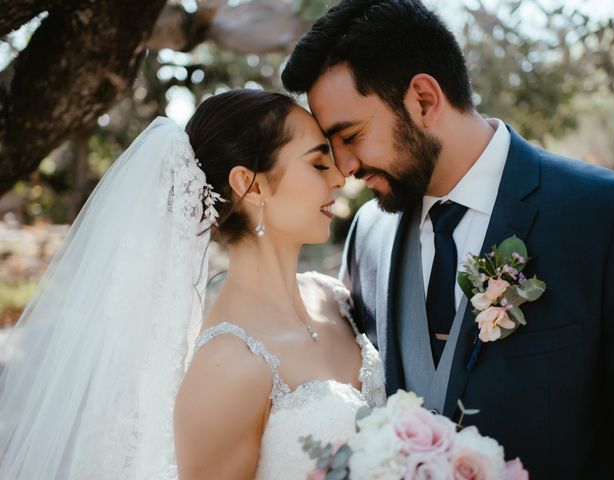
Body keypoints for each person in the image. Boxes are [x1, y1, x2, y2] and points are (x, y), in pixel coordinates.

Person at [281, 1, 614, 478]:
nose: (345, 167)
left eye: (352, 135)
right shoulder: (367, 235)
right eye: (332, 147)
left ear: (424, 100)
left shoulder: (611, 218)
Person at [0, 89, 385, 480]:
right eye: (319, 164)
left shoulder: (335, 297)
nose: (340, 177)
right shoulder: (227, 366)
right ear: (250, 185)